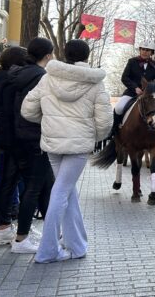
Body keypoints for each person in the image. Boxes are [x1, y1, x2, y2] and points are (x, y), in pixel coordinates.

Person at [22, 40, 112, 263]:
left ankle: (77, 245)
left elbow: (28, 110)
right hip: (79, 144)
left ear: (64, 54)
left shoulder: (48, 77)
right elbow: (104, 121)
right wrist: (95, 137)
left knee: (66, 191)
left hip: (53, 143)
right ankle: (48, 250)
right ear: (87, 55)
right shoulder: (95, 82)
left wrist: (48, 123)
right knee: (62, 191)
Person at [0, 39, 56, 253]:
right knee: (35, 186)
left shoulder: (12, 76)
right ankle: (22, 237)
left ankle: (44, 233)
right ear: (47, 55)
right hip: (30, 138)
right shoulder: (39, 77)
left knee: (37, 184)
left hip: (11, 137)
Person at [111, 41, 155, 141]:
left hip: (150, 95)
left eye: (147, 50)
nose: (145, 52)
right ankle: (114, 131)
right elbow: (124, 78)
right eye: (143, 49)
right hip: (132, 93)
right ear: (140, 50)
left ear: (151, 52)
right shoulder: (131, 62)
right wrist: (135, 88)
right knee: (119, 108)